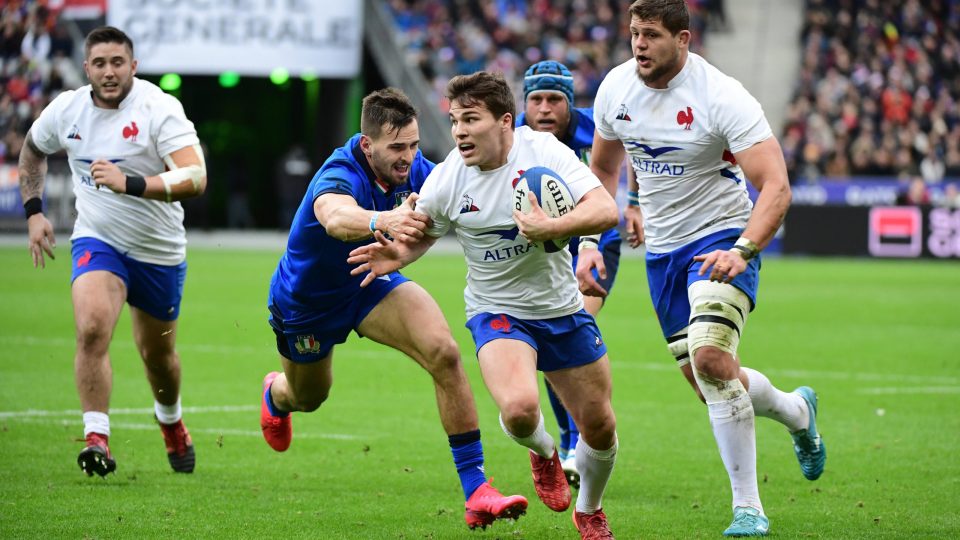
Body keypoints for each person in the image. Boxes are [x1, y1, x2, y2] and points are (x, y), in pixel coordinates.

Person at [348, 72, 621, 539]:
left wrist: (554, 227)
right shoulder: (448, 178)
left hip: (561, 307)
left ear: (505, 122)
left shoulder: (545, 153)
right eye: (454, 121)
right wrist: (397, 253)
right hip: (497, 310)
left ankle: (589, 508)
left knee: (599, 425)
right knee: (518, 409)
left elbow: (606, 209)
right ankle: (544, 451)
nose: (458, 131)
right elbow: (424, 233)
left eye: (470, 119)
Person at [589, 1, 826, 536]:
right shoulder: (615, 90)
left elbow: (776, 186)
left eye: (651, 34)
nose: (639, 44)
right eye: (633, 34)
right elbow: (602, 168)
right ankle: (797, 413)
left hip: (722, 239)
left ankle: (749, 509)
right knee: (709, 379)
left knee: (713, 360)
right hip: (664, 257)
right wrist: (591, 237)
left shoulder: (721, 97)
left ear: (684, 39)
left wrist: (742, 250)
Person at [259, 87, 528, 531]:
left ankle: (477, 490)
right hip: (307, 304)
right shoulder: (341, 171)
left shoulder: (415, 169)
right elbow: (333, 215)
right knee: (309, 397)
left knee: (443, 352)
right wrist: (381, 220)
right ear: (368, 145)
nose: (408, 157)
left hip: (369, 282)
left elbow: (459, 188)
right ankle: (276, 395)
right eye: (396, 148)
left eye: (414, 145)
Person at [19, 26, 205, 477]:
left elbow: (196, 177)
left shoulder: (159, 109)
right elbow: (32, 150)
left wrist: (133, 183)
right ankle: (96, 437)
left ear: (133, 66)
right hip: (98, 239)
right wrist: (33, 211)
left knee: (158, 359)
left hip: (159, 251)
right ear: (86, 69)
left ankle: (171, 420)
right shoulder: (68, 109)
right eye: (99, 63)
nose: (108, 72)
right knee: (92, 328)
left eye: (117, 62)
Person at [517, 60, 623, 490]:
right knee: (549, 343)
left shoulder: (591, 132)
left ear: (570, 104)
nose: (544, 109)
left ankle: (579, 439)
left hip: (594, 243)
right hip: (541, 247)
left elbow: (620, 167)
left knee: (572, 326)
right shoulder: (514, 138)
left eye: (554, 99)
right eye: (536, 99)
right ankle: (569, 441)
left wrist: (629, 208)